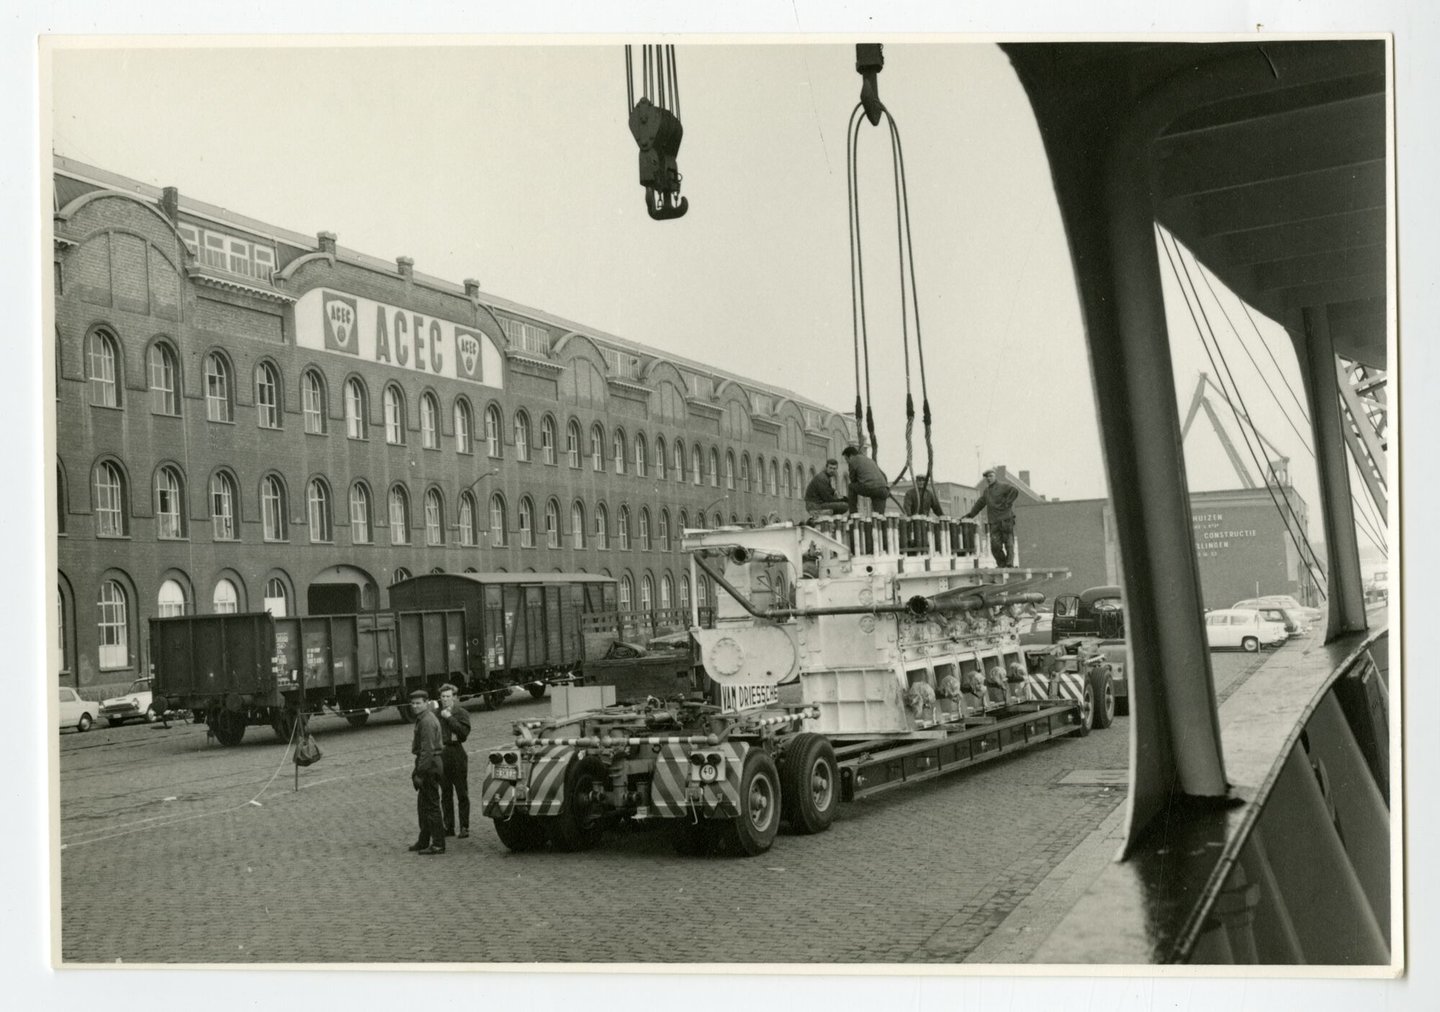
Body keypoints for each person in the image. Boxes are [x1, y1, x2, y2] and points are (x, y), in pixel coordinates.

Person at [407, 688, 446, 855]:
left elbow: (427, 750)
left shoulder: (426, 721)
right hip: (428, 764)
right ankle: (424, 840)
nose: (415, 706)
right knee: (424, 806)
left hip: (430, 765)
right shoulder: (423, 718)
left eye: (418, 703)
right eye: (413, 703)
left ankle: (438, 844)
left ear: (426, 703)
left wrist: (420, 773)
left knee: (431, 806)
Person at [964, 467, 1020, 567]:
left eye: (991, 476)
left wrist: (1007, 502)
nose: (989, 478)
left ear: (995, 476)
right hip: (994, 522)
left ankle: (1009, 564)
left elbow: (1015, 491)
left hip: (1006, 520)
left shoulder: (1003, 486)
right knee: (995, 546)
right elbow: (980, 503)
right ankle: (1002, 564)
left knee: (1009, 543)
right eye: (987, 477)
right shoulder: (987, 492)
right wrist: (970, 515)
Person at [437, 683, 472, 839]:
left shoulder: (461, 713)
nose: (445, 699)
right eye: (443, 696)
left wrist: (449, 718)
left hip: (457, 753)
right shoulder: (436, 714)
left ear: (455, 698)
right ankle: (448, 826)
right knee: (445, 793)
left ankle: (464, 826)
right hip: (442, 754)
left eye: (448, 696)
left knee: (462, 792)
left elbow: (463, 734)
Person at [841, 445, 890, 514]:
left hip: (871, 487)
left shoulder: (853, 461)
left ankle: (853, 514)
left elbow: (853, 479)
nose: (847, 461)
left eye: (846, 459)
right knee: (879, 515)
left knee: (851, 487)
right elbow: (884, 475)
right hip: (883, 490)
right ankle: (880, 519)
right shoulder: (869, 460)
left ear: (851, 456)